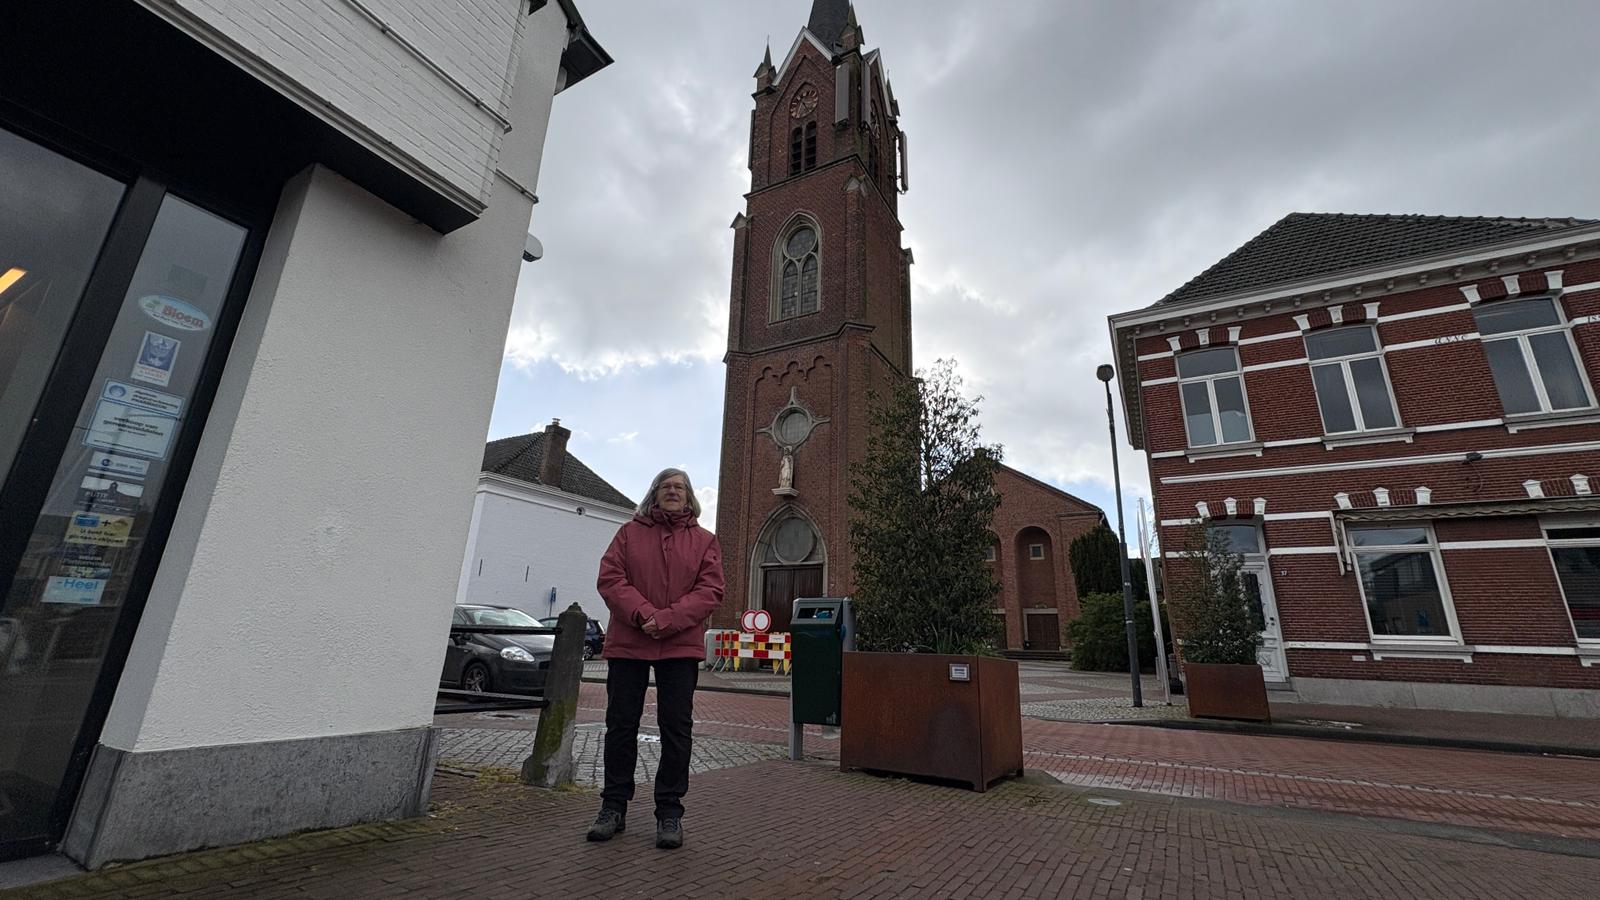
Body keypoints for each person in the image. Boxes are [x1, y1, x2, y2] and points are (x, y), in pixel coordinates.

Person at [588, 467, 724, 849]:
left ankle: (669, 811)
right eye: (666, 486)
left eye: (679, 487)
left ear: (689, 496)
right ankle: (613, 807)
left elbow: (711, 590)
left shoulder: (705, 541)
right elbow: (610, 578)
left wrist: (667, 619)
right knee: (620, 725)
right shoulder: (628, 534)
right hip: (629, 641)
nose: (673, 491)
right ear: (654, 494)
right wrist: (643, 614)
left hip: (679, 644)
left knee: (676, 729)